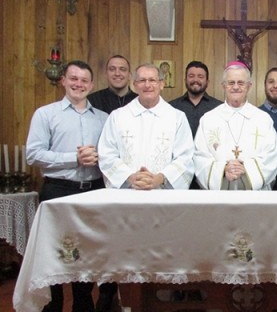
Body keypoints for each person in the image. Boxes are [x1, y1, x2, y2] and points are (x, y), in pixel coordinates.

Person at [26, 60, 108, 312]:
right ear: (63, 80)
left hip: (93, 189)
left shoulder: (104, 118)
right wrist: (73, 157)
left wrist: (101, 157)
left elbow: (112, 154)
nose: (78, 84)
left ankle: (83, 303)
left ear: (91, 85)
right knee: (55, 249)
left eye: (84, 80)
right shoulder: (45, 114)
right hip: (58, 189)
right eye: (74, 78)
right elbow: (33, 155)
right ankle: (54, 304)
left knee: (86, 249)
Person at [87, 54, 136, 311]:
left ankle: (133, 292)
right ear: (106, 73)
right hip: (104, 180)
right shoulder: (93, 102)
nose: (118, 73)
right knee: (107, 240)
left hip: (135, 186)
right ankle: (106, 291)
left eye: (123, 69)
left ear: (130, 76)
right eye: (113, 69)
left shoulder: (138, 102)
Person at [98, 63, 194, 190]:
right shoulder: (117, 116)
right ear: (135, 85)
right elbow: (106, 154)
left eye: (152, 80)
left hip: (163, 195)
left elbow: (185, 157)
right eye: (142, 80)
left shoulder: (177, 118)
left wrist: (159, 178)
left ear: (161, 84)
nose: (147, 85)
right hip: (127, 193)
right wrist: (131, 177)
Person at [193, 61, 277, 190]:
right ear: (223, 86)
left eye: (241, 83)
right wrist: (223, 170)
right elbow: (199, 157)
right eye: (231, 83)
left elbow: (272, 156)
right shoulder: (209, 119)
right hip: (219, 198)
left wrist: (246, 169)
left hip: (255, 198)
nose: (235, 87)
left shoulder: (262, 119)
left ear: (249, 86)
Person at [170, 61, 223, 189]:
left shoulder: (219, 109)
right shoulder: (171, 108)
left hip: (209, 173)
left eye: (200, 76)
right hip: (178, 173)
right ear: (185, 79)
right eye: (191, 76)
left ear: (207, 81)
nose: (195, 80)